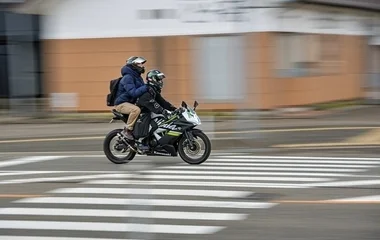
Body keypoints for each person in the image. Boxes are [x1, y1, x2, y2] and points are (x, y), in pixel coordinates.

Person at [114, 56, 148, 140]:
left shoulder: (137, 77)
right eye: (139, 64)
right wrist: (147, 87)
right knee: (136, 110)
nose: (142, 66)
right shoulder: (128, 78)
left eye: (141, 64)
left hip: (130, 103)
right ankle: (127, 130)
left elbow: (143, 90)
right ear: (133, 65)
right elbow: (133, 93)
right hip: (121, 104)